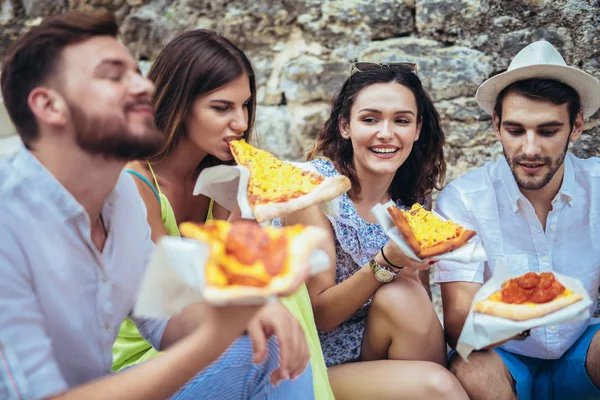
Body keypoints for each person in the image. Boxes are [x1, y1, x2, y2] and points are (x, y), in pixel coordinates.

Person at [0, 11, 312, 399]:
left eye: (137, 73)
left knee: (270, 340)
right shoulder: (8, 221)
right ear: (49, 106)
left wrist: (243, 307)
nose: (144, 88)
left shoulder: (121, 202)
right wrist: (219, 331)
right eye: (114, 76)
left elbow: (168, 317)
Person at [110, 28, 332, 399]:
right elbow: (169, 299)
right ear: (179, 105)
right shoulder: (132, 182)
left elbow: (241, 273)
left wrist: (253, 205)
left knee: (275, 295)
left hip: (214, 340)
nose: (242, 123)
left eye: (245, 106)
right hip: (144, 362)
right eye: (222, 107)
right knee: (269, 327)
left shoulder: (223, 178)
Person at [276, 62, 469, 399]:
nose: (386, 133)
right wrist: (388, 261)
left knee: (406, 295)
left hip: (377, 348)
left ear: (418, 129)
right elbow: (320, 315)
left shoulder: (413, 199)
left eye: (401, 120)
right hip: (314, 364)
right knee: (439, 387)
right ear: (345, 125)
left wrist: (414, 264)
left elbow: (416, 306)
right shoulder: (314, 191)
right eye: (370, 119)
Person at [435, 40, 600, 400]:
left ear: (576, 126)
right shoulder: (463, 199)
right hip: (504, 358)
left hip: (581, 349)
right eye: (515, 130)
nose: (529, 149)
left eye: (547, 131)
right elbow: (458, 322)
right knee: (468, 367)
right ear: (496, 125)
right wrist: (518, 313)